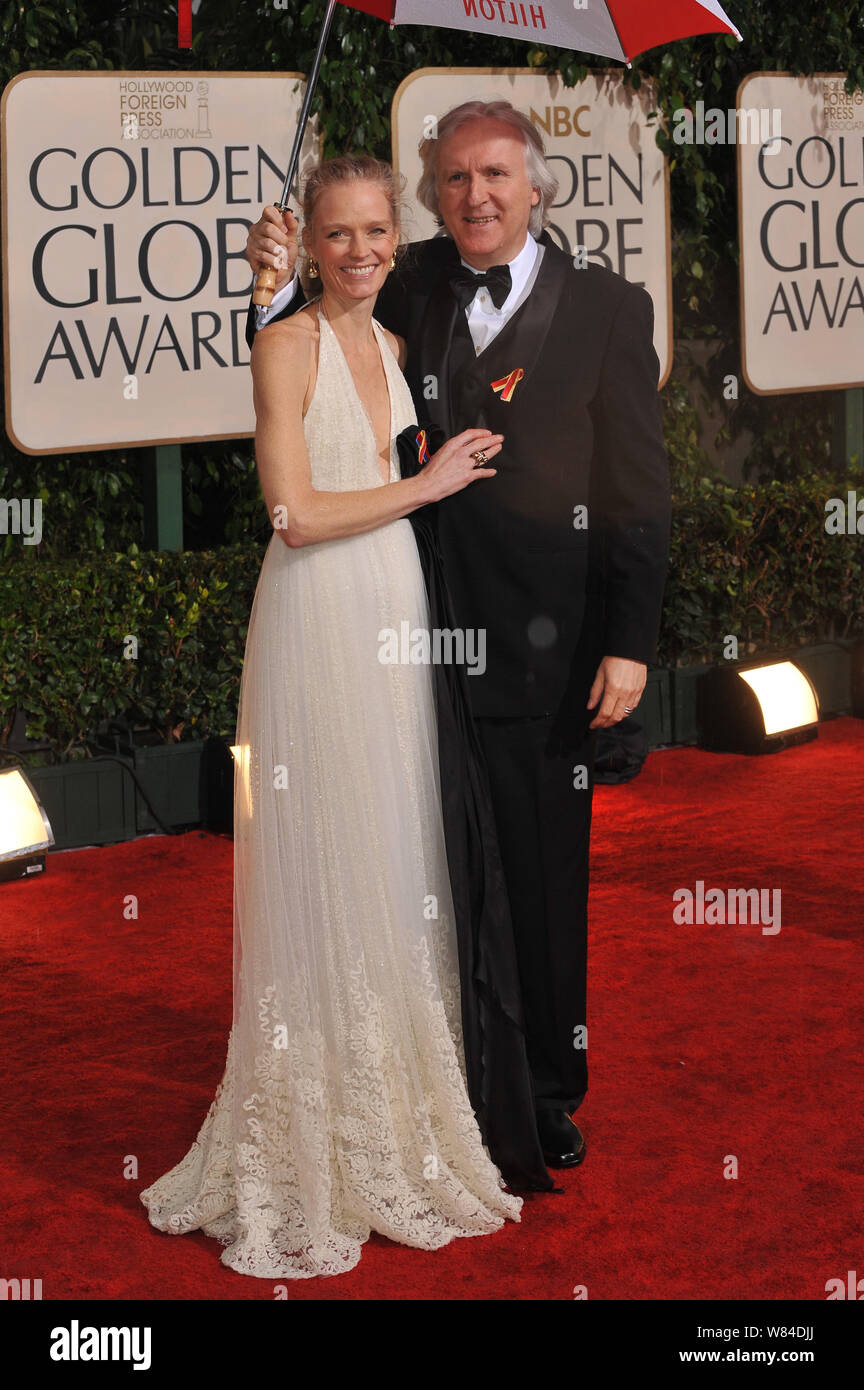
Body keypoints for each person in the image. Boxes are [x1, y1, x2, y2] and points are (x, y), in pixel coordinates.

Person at [140, 154, 551, 1283]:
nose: (363, 251)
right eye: (339, 234)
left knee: (389, 854)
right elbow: (296, 513)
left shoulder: (398, 346)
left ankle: (396, 1119)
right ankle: (308, 1135)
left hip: (395, 612)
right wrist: (427, 485)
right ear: (306, 241)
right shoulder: (286, 345)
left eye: (377, 231)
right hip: (317, 616)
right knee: (321, 861)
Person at [244, 100, 672, 1169]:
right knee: (417, 869)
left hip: (548, 650)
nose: (475, 195)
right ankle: (443, 1074)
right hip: (407, 637)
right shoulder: (414, 275)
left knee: (538, 877)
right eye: (454, 178)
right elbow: (310, 343)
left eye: (495, 176)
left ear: (535, 188)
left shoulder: (611, 310)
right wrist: (264, 280)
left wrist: (630, 640)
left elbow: (639, 491)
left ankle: (544, 1090)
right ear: (433, 194)